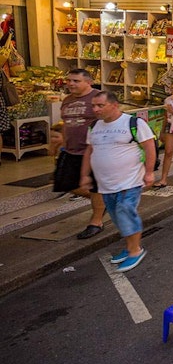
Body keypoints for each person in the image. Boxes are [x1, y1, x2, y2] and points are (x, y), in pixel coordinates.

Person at [80, 91, 156, 272]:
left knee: (125, 212)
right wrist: (85, 174)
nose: (96, 109)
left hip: (129, 182)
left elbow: (149, 146)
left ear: (114, 105)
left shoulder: (133, 123)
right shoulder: (94, 126)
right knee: (116, 216)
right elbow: (89, 151)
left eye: (100, 105)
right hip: (106, 184)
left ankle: (135, 250)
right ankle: (130, 246)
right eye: (94, 106)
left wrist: (150, 172)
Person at [58, 68, 106, 240]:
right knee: (66, 183)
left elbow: (111, 120)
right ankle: (104, 201)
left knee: (95, 187)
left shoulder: (99, 98)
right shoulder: (67, 100)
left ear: (88, 82)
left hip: (93, 151)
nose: (71, 83)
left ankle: (96, 222)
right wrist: (62, 144)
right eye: (69, 80)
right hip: (71, 150)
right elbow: (66, 123)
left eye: (76, 81)